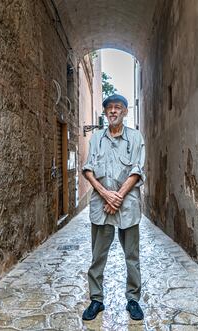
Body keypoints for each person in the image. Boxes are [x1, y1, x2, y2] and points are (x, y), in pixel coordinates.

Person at [81, 94, 146, 321]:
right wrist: (105, 194)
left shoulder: (135, 138)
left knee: (132, 256)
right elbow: (88, 169)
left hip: (127, 205)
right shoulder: (97, 138)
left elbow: (137, 170)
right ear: (105, 113)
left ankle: (133, 300)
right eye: (109, 108)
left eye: (118, 108)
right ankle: (96, 300)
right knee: (98, 256)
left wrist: (116, 197)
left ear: (125, 112)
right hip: (102, 205)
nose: (113, 111)